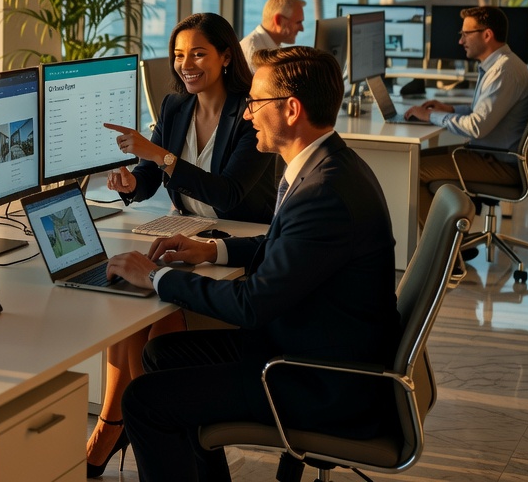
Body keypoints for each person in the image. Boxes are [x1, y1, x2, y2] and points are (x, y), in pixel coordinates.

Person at [104, 46, 400, 482]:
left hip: (317, 379)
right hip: (314, 345)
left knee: (144, 401)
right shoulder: (329, 164)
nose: (246, 115)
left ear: (292, 110)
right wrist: (213, 250)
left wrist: (156, 277)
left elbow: (251, 305)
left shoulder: (323, 192)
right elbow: (288, 245)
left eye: (255, 104)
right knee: (162, 354)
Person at [88, 12, 275, 476]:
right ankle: (119, 423)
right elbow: (153, 177)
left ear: (226, 56)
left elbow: (228, 193)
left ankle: (127, 426)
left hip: (237, 242)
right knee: (127, 304)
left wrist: (158, 155)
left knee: (155, 336)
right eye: (178, 54)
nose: (185, 63)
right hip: (185, 231)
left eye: (197, 53)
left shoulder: (248, 112)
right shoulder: (175, 108)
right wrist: (131, 181)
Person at [404, 6, 528, 259]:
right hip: (494, 154)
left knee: (413, 170)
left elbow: (477, 126)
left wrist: (430, 115)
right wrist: (451, 108)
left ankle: (444, 256)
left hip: (500, 163)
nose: (460, 40)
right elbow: (485, 110)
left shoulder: (503, 71)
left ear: (487, 35)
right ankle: (454, 245)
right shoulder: (499, 65)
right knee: (415, 159)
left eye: (466, 33)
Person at [239, 0, 306, 70]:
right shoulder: (255, 52)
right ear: (278, 20)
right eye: (298, 22)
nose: (302, 29)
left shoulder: (265, 46)